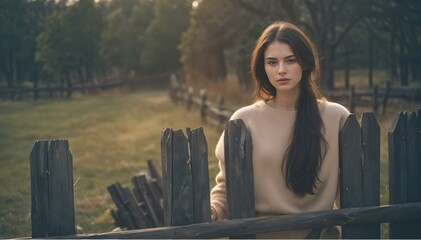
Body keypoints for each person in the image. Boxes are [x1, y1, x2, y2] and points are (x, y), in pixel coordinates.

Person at [209, 21, 350, 239]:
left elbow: (351, 190)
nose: (281, 70)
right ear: (263, 68)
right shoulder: (244, 121)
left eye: (290, 60)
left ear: (305, 63)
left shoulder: (336, 117)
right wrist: (214, 209)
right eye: (272, 62)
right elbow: (227, 186)